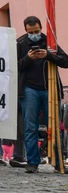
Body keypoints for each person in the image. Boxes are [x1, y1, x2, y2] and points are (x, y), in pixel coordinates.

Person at [17, 15, 68, 173]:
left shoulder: (49, 41)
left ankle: (58, 161)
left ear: (41, 28)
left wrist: (48, 55)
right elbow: (14, 66)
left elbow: (65, 61)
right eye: (31, 32)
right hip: (29, 89)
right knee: (30, 127)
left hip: (49, 89)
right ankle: (33, 162)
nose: (34, 34)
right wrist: (28, 58)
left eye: (37, 31)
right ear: (26, 30)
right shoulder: (19, 43)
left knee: (54, 127)